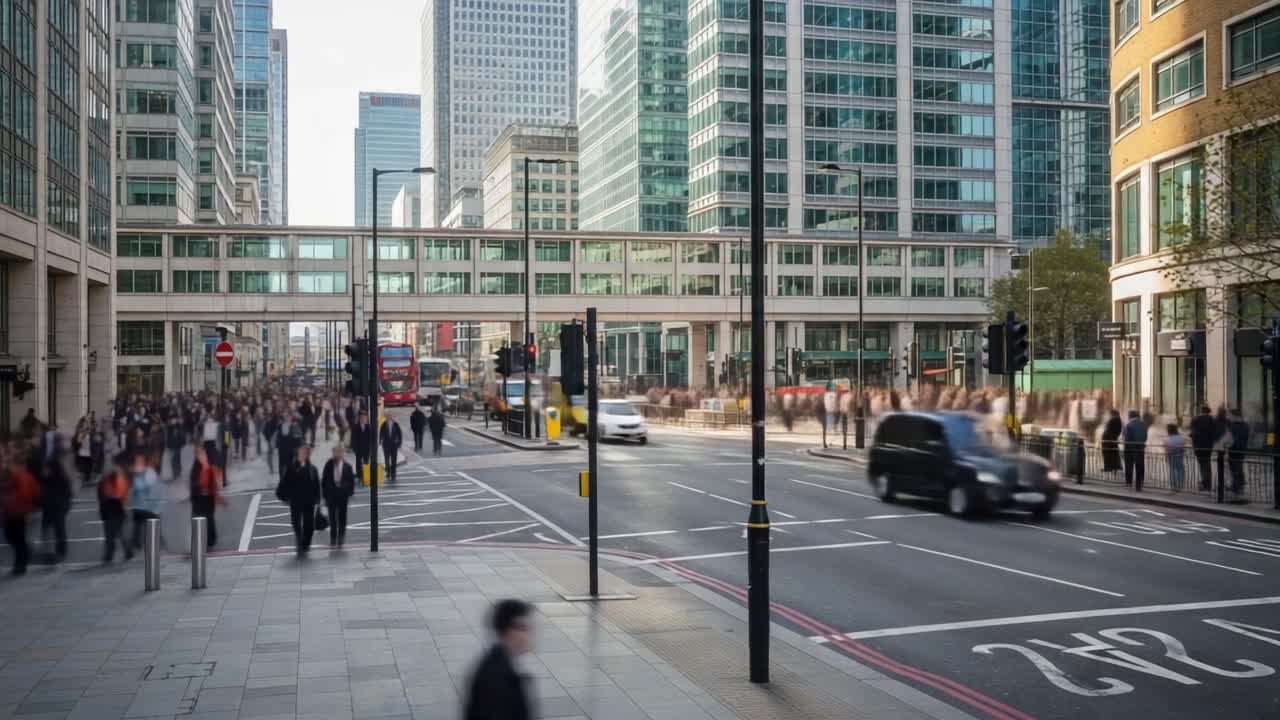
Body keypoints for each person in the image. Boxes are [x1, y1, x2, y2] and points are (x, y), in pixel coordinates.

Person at [463, 599, 535, 720]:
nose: (529, 634)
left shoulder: (501, 665)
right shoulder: (497, 678)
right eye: (524, 628)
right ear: (511, 631)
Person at [3, 445, 40, 575]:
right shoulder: (16, 475)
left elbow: (28, 493)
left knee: (16, 537)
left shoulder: (22, 476)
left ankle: (21, 564)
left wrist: (26, 508)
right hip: (13, 510)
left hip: (19, 511)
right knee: (13, 536)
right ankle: (22, 560)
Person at [281, 445, 321, 554]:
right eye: (301, 453)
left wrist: (318, 499)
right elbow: (285, 483)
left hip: (309, 501)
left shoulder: (312, 469)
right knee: (296, 522)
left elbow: (317, 485)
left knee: (309, 525)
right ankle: (299, 540)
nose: (303, 455)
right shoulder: (291, 468)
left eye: (305, 453)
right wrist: (287, 497)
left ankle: (306, 543)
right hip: (296, 500)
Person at [38, 436, 72, 563]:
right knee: (56, 525)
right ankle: (56, 552)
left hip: (54, 498)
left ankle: (54, 552)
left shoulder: (53, 460)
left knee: (53, 525)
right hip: (60, 498)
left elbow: (45, 477)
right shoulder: (63, 458)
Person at [97, 458, 133, 563]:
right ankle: (123, 553)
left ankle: (110, 555)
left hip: (113, 510)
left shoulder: (112, 480)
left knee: (112, 535)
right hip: (114, 510)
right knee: (117, 534)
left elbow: (105, 497)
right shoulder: (111, 480)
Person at [189, 444, 225, 548]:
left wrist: (217, 495)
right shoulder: (197, 465)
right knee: (199, 518)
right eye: (198, 453)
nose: (201, 455)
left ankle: (210, 540)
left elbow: (213, 481)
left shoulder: (207, 465)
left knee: (208, 519)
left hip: (207, 499)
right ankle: (200, 542)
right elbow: (193, 482)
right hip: (199, 498)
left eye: (201, 452)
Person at [321, 445, 356, 547]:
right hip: (331, 496)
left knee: (342, 518)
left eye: (340, 452)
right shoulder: (328, 465)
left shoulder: (348, 466)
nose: (338, 454)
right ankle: (333, 538)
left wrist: (348, 492)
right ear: (333, 453)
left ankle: (341, 537)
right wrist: (324, 495)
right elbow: (324, 481)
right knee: (332, 518)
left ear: (343, 453)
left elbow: (351, 482)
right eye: (336, 452)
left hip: (342, 497)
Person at [129, 450, 163, 552]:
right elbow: (135, 488)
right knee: (139, 525)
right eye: (137, 461)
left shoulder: (149, 472)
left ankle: (154, 542)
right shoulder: (138, 473)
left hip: (147, 505)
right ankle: (138, 543)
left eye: (140, 461)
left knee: (148, 524)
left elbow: (154, 487)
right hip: (140, 506)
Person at [1189, 405, 1218, 492]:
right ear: (1209, 412)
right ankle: (1208, 483)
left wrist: (1192, 436)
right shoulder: (1212, 420)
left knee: (1202, 464)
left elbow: (1193, 433)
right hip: (1208, 446)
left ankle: (1205, 483)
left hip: (1198, 446)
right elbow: (1214, 433)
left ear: (1201, 411)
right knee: (1207, 463)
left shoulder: (1196, 419)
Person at [1226, 409, 1250, 503]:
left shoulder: (1232, 427)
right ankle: (1239, 487)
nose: (1229, 417)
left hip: (1233, 451)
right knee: (1239, 469)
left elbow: (1228, 440)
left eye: (1230, 416)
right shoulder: (1246, 426)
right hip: (1242, 451)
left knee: (1235, 471)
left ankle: (1235, 491)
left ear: (1235, 416)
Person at [1122, 410, 1148, 491]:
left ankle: (1129, 482)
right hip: (1140, 448)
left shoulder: (1128, 425)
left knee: (1129, 465)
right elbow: (1145, 436)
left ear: (1130, 416)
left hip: (1129, 448)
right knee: (1140, 465)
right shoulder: (1144, 425)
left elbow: (1126, 438)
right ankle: (1140, 483)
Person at [380, 417, 403, 482]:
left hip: (394, 446)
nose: (388, 420)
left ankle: (393, 474)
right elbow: (381, 433)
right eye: (387, 418)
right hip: (386, 445)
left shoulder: (396, 425)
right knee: (386, 460)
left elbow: (400, 434)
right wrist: (380, 440)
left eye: (390, 418)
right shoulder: (383, 424)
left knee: (393, 461)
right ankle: (388, 472)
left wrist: (399, 443)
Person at [1101, 409, 1123, 476]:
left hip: (1108, 442)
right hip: (1112, 441)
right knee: (1113, 455)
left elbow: (1108, 430)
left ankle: (1109, 467)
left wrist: (1106, 435)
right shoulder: (1118, 420)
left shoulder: (1113, 420)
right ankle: (1113, 467)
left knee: (1108, 455)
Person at [1165, 424, 1186, 493]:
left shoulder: (1168, 439)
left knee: (1173, 471)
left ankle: (1174, 486)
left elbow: (1167, 449)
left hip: (1172, 456)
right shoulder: (1181, 438)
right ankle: (1180, 486)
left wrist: (1166, 456)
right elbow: (1183, 448)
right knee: (1180, 470)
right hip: (1180, 456)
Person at [351, 411, 372, 481]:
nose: (363, 419)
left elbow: (371, 438)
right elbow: (353, 438)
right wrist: (354, 448)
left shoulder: (368, 427)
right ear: (359, 418)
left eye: (364, 417)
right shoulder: (355, 427)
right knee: (358, 463)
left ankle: (365, 476)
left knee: (366, 462)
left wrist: (371, 447)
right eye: (362, 417)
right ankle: (359, 476)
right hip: (358, 448)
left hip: (366, 449)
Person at [166, 416, 186, 482]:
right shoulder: (170, 428)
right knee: (173, 460)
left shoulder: (179, 427)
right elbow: (168, 437)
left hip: (178, 446)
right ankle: (175, 473)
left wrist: (182, 444)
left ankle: (177, 473)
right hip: (173, 446)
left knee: (176, 459)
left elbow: (183, 437)